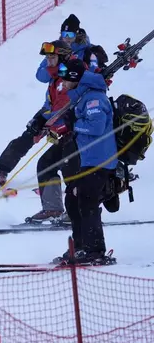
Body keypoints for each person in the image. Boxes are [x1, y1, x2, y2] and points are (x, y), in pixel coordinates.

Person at [53, 59, 117, 265]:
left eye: (65, 78)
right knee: (72, 200)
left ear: (74, 78)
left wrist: (75, 124)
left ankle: (95, 250)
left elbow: (96, 128)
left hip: (100, 161)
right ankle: (80, 247)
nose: (62, 82)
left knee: (87, 201)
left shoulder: (94, 99)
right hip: (89, 160)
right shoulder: (83, 97)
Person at [0, 39, 73, 186]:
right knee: (28, 136)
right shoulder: (56, 70)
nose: (48, 61)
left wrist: (45, 124)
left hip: (67, 117)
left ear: (62, 57)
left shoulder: (70, 74)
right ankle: (3, 169)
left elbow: (62, 105)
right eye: (47, 58)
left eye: (52, 58)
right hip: (50, 111)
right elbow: (41, 76)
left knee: (70, 149)